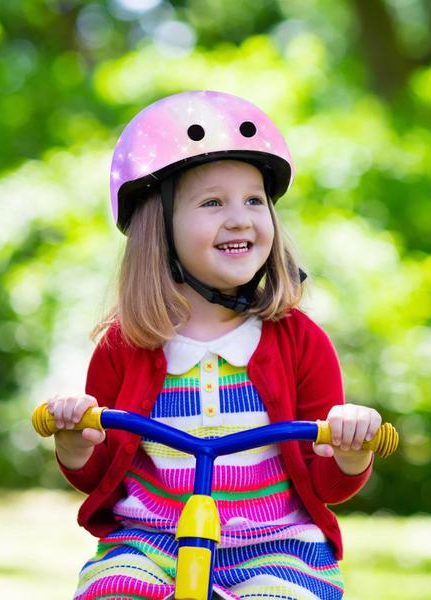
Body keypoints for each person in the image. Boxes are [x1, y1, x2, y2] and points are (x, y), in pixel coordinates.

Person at [48, 90, 381, 600]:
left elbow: (325, 484)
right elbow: (99, 473)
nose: (240, 218)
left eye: (254, 200)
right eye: (212, 202)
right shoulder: (125, 346)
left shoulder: (299, 342)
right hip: (150, 541)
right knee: (112, 591)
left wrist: (351, 452)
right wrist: (74, 441)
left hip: (277, 545)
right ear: (157, 230)